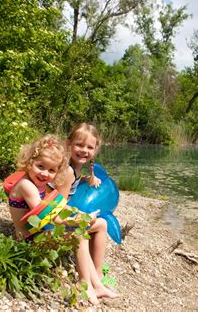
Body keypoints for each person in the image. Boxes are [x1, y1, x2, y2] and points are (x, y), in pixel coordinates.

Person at [8, 134, 117, 305]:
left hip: (38, 233)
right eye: (40, 166)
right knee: (78, 234)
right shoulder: (27, 186)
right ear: (29, 162)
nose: (45, 174)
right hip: (29, 239)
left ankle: (97, 283)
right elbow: (46, 216)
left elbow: (54, 205)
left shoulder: (37, 183)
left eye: (51, 170)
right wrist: (76, 221)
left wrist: (76, 212)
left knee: (82, 229)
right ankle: (85, 284)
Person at [55, 123, 109, 281]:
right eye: (79, 145)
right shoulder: (68, 171)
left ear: (95, 150)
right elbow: (58, 206)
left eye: (89, 147)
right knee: (102, 225)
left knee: (98, 223)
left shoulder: (74, 169)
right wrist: (79, 215)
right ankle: (96, 274)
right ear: (68, 144)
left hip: (54, 218)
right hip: (52, 223)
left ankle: (92, 267)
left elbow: (69, 186)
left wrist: (85, 179)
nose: (84, 150)